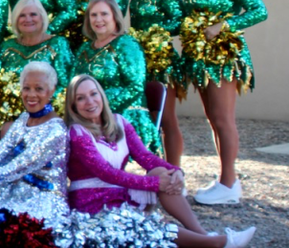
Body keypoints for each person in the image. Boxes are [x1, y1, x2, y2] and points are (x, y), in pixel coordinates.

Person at [65, 74, 256, 248]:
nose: (89, 102)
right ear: (73, 106)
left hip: (120, 191)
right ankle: (217, 243)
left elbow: (146, 157)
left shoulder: (119, 122)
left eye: (93, 94)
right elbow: (106, 173)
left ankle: (202, 234)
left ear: (101, 96)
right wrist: (155, 184)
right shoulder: (77, 132)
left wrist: (175, 171)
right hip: (90, 200)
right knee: (150, 217)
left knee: (160, 172)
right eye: (80, 98)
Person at [169, 0, 268, 206]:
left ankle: (229, 182)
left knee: (224, 119)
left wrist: (223, 26)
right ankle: (226, 181)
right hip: (198, 56)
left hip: (222, 55)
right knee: (212, 118)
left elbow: (259, 10)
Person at [0, 62, 69, 229]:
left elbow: (15, 169)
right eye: (26, 88)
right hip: (15, 189)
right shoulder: (23, 119)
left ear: (52, 91)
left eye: (39, 89)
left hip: (43, 201)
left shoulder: (56, 130)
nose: (31, 95)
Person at [122, 0, 186, 166]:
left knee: (166, 118)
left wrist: (155, 34)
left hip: (162, 60)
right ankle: (152, 166)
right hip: (140, 59)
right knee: (143, 115)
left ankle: (174, 170)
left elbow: (179, 21)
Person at [74, 0, 159, 150]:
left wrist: (102, 111)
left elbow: (135, 87)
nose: (98, 19)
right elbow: (74, 84)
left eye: (104, 14)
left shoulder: (127, 45)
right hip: (88, 116)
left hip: (125, 116)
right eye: (94, 15)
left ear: (115, 16)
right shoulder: (84, 49)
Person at [0, 0, 76, 105]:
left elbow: (66, 84)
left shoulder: (57, 44)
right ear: (16, 20)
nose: (28, 19)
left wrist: (37, 101)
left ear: (42, 17)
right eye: (22, 15)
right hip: (9, 111)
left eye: (33, 14)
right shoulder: (6, 46)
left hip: (47, 110)